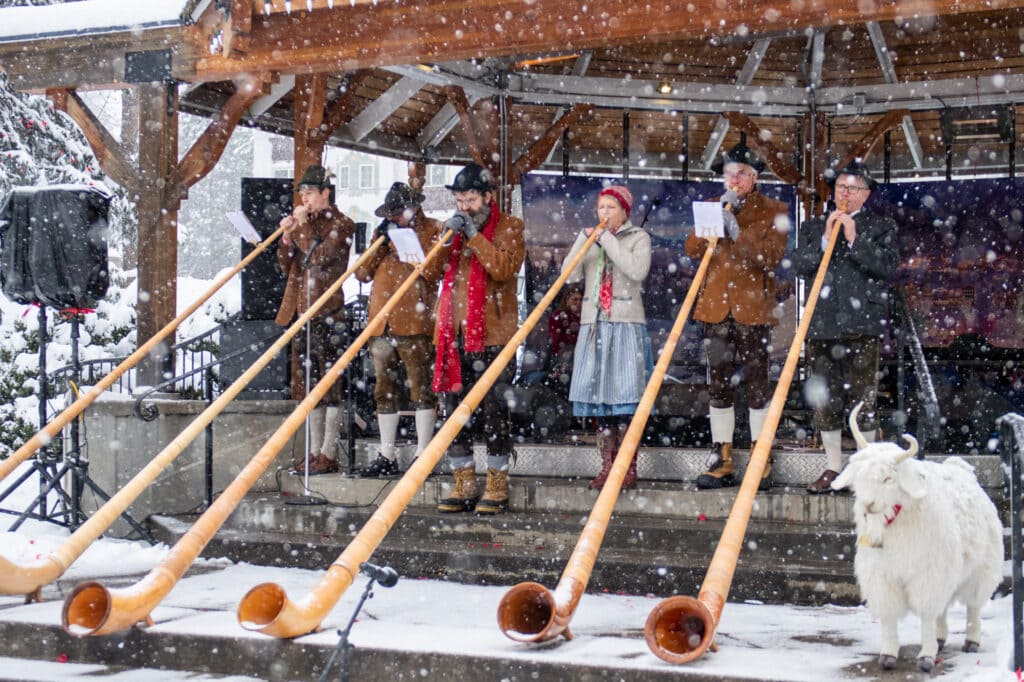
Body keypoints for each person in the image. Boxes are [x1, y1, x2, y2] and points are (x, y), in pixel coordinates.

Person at [790, 160, 900, 493]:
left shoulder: (881, 226)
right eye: (840, 187)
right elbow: (798, 264)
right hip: (822, 325)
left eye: (853, 188)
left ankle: (866, 468)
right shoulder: (813, 226)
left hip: (861, 325)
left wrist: (855, 241)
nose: (845, 194)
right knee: (827, 399)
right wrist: (826, 239)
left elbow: (886, 267)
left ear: (866, 194)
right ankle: (833, 466)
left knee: (864, 398)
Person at [685, 142, 789, 491]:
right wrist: (713, 221)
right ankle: (721, 456)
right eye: (729, 173)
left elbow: (771, 257)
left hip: (753, 311)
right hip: (715, 309)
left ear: (755, 177)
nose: (734, 179)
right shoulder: (714, 205)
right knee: (718, 384)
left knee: (758, 384)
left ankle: (761, 457)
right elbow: (692, 250)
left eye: (741, 173)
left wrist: (737, 231)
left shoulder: (775, 209)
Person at [433, 163, 525, 514]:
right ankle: (463, 479)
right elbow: (428, 271)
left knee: (494, 411)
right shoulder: (453, 227)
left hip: (494, 335)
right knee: (455, 410)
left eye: (470, 199)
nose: (464, 207)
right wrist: (445, 239)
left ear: (488, 197)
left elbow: (503, 268)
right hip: (453, 333)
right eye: (458, 200)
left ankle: (497, 481)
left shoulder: (511, 227)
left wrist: (474, 234)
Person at [562, 185, 652, 490]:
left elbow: (636, 270)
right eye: (601, 208)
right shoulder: (592, 240)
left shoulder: (638, 238)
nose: (604, 214)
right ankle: (607, 466)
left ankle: (626, 468)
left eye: (611, 208)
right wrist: (581, 241)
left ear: (625, 211)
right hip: (595, 326)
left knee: (624, 401)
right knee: (599, 401)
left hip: (625, 325)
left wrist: (608, 240)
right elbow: (568, 275)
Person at [353, 183, 446, 477]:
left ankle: (423, 452)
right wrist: (380, 244)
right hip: (383, 322)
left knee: (421, 388)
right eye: (391, 214)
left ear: (414, 207)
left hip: (415, 322)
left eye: (398, 212)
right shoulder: (384, 234)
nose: (394, 218)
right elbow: (362, 273)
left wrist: (408, 246)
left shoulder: (433, 229)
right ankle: (387, 452)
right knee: (384, 390)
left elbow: (433, 272)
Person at [275, 164, 356, 475]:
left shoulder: (342, 224)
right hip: (302, 311)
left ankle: (329, 450)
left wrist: (302, 228)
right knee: (307, 385)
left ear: (325, 193)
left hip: (328, 312)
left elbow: (319, 259)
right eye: (302, 195)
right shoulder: (304, 226)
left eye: (309, 193)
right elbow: (288, 266)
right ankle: (313, 450)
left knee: (330, 384)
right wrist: (286, 239)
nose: (305, 200)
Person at [545, 283, 582, 397]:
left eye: (581, 299)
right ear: (567, 299)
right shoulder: (558, 316)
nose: (578, 303)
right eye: (574, 299)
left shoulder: (584, 316)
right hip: (564, 358)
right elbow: (557, 340)